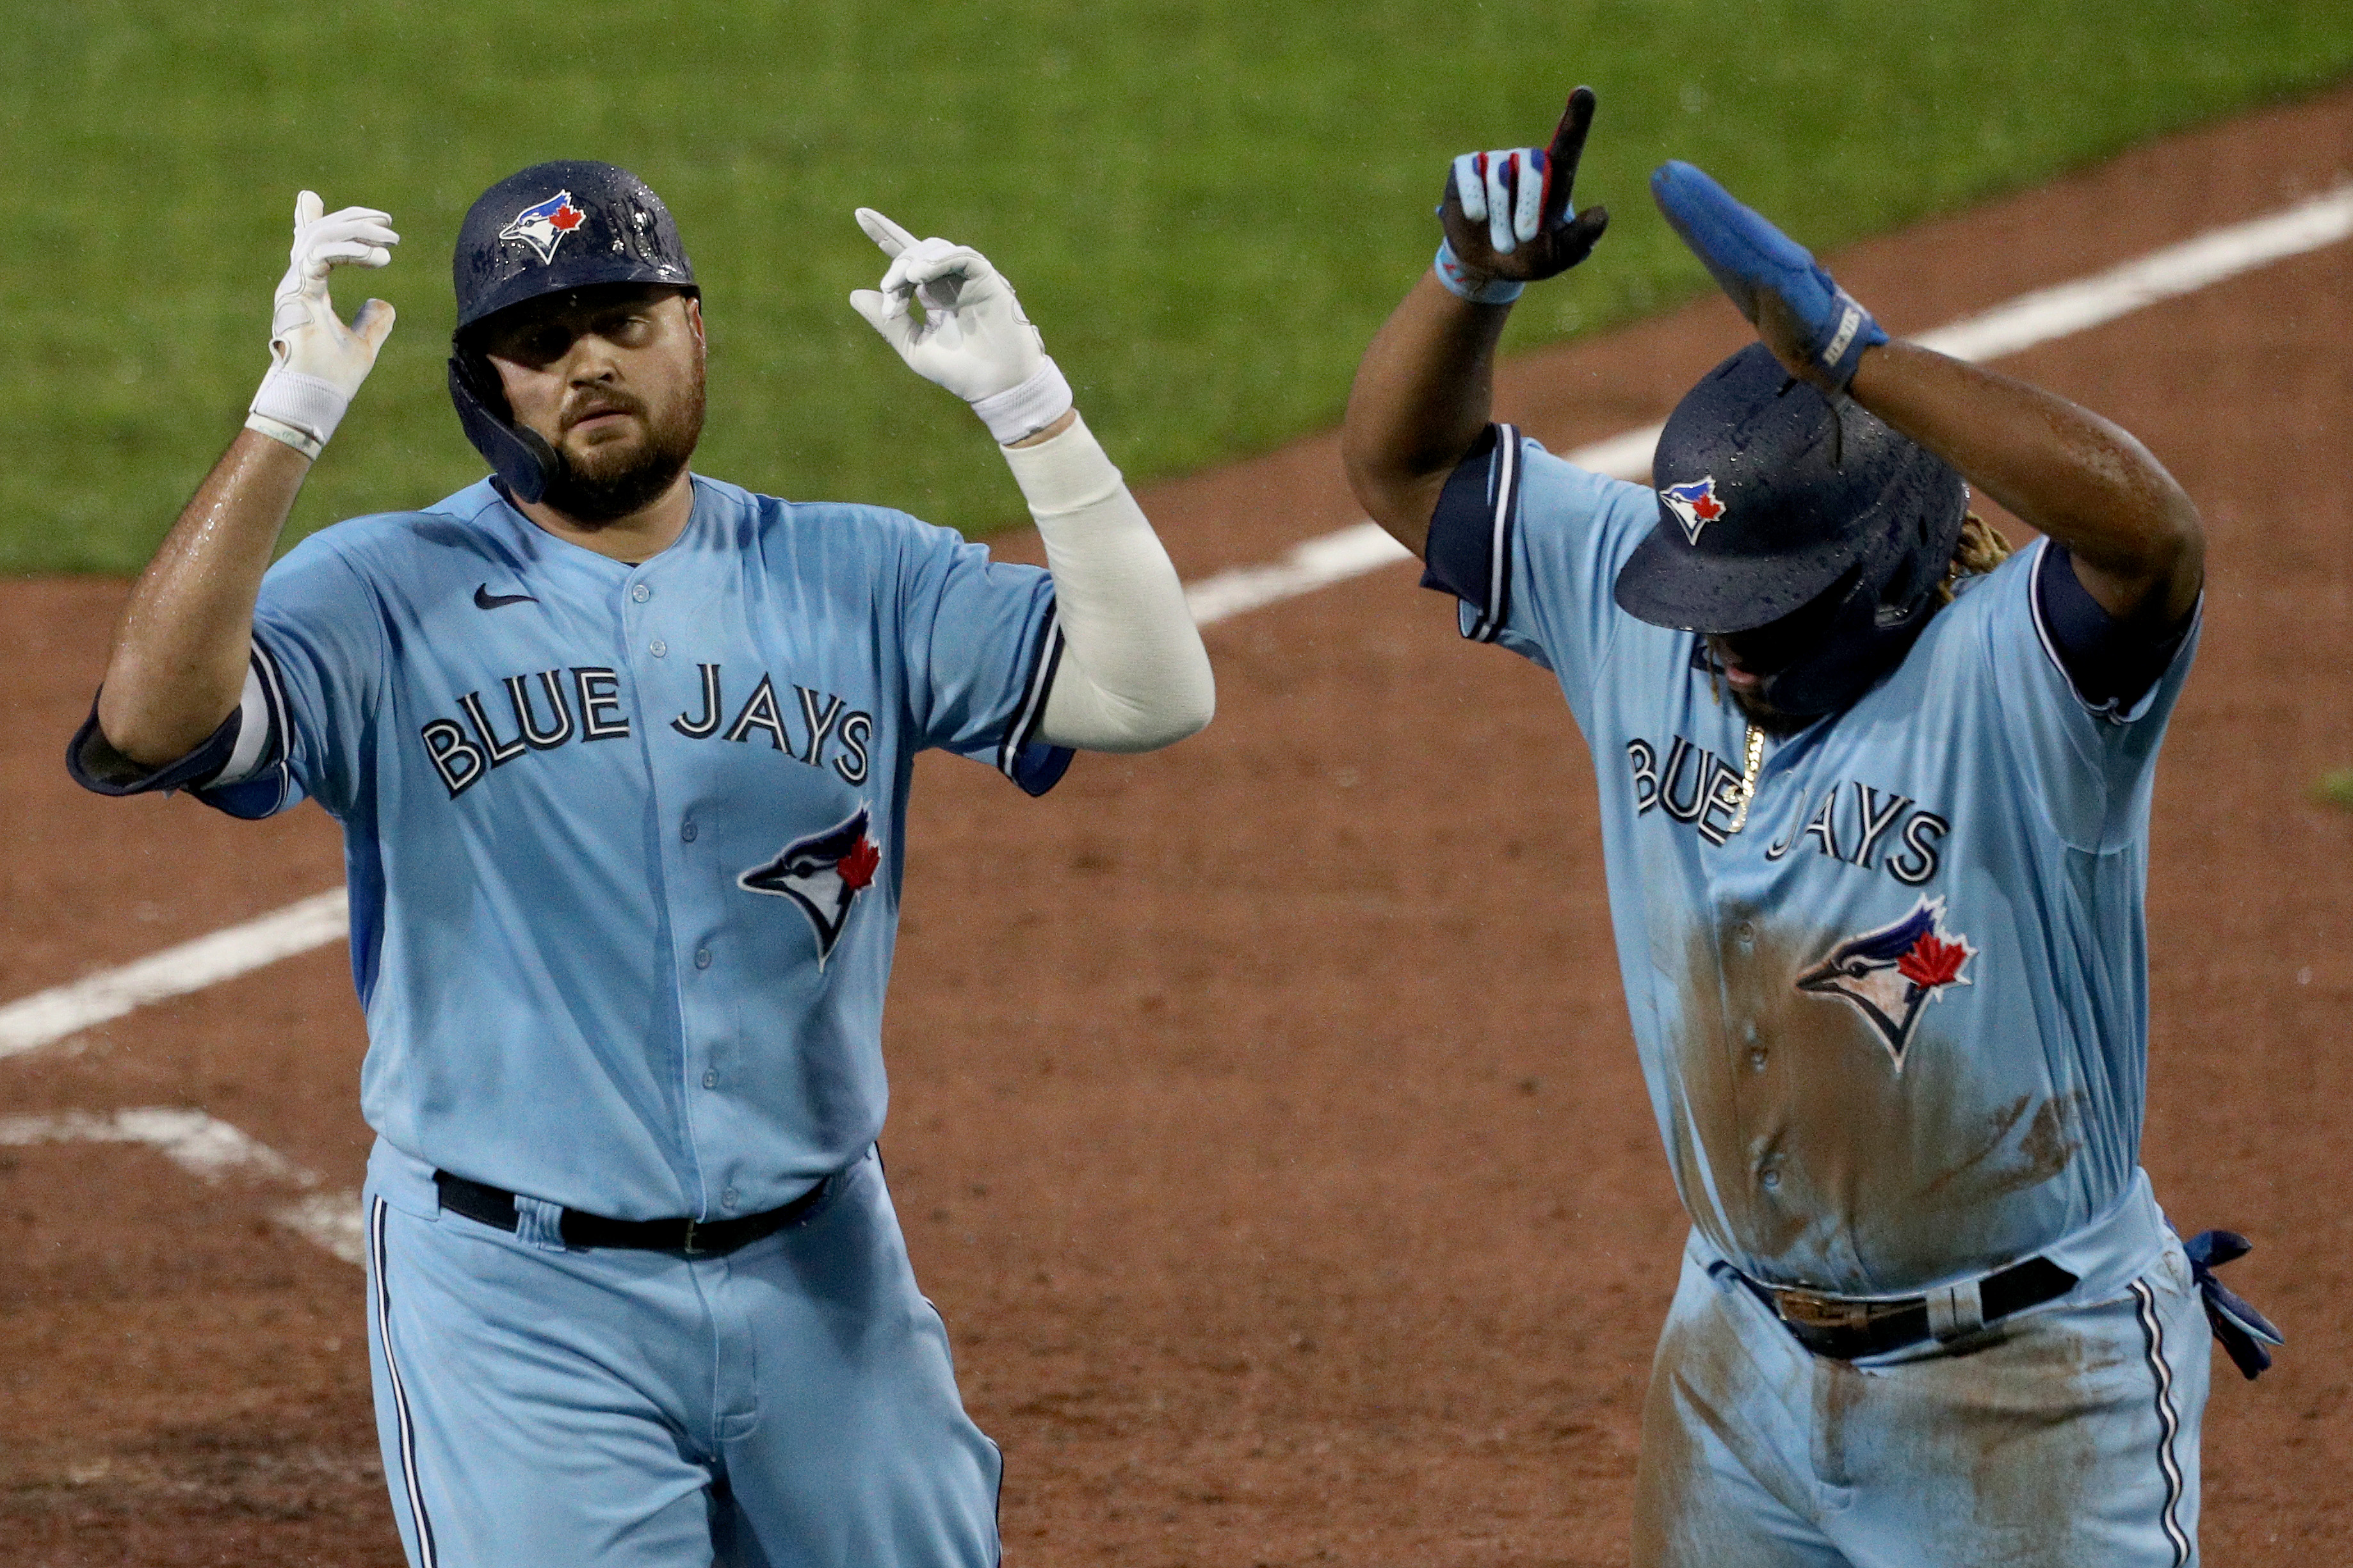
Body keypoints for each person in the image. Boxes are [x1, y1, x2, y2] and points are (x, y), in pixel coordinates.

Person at [69, 161, 1213, 1568]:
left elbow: (1151, 695)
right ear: (484, 381)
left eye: (623, 315)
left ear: (694, 330)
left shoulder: (860, 572)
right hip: (517, 1296)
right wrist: (287, 415)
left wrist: (1029, 408)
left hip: (824, 1272)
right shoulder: (379, 592)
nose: (589, 360)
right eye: (539, 339)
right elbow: (150, 721)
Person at [1341, 89, 2277, 1567]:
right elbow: (1401, 467)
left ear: (1894, 573)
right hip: (1736, 1371)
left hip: (2028, 1399)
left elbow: (2151, 538)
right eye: (1708, 607)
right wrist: (1465, 286)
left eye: (1769, 620)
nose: (1729, 651)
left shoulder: (2018, 682)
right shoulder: (1638, 611)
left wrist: (1855, 359)